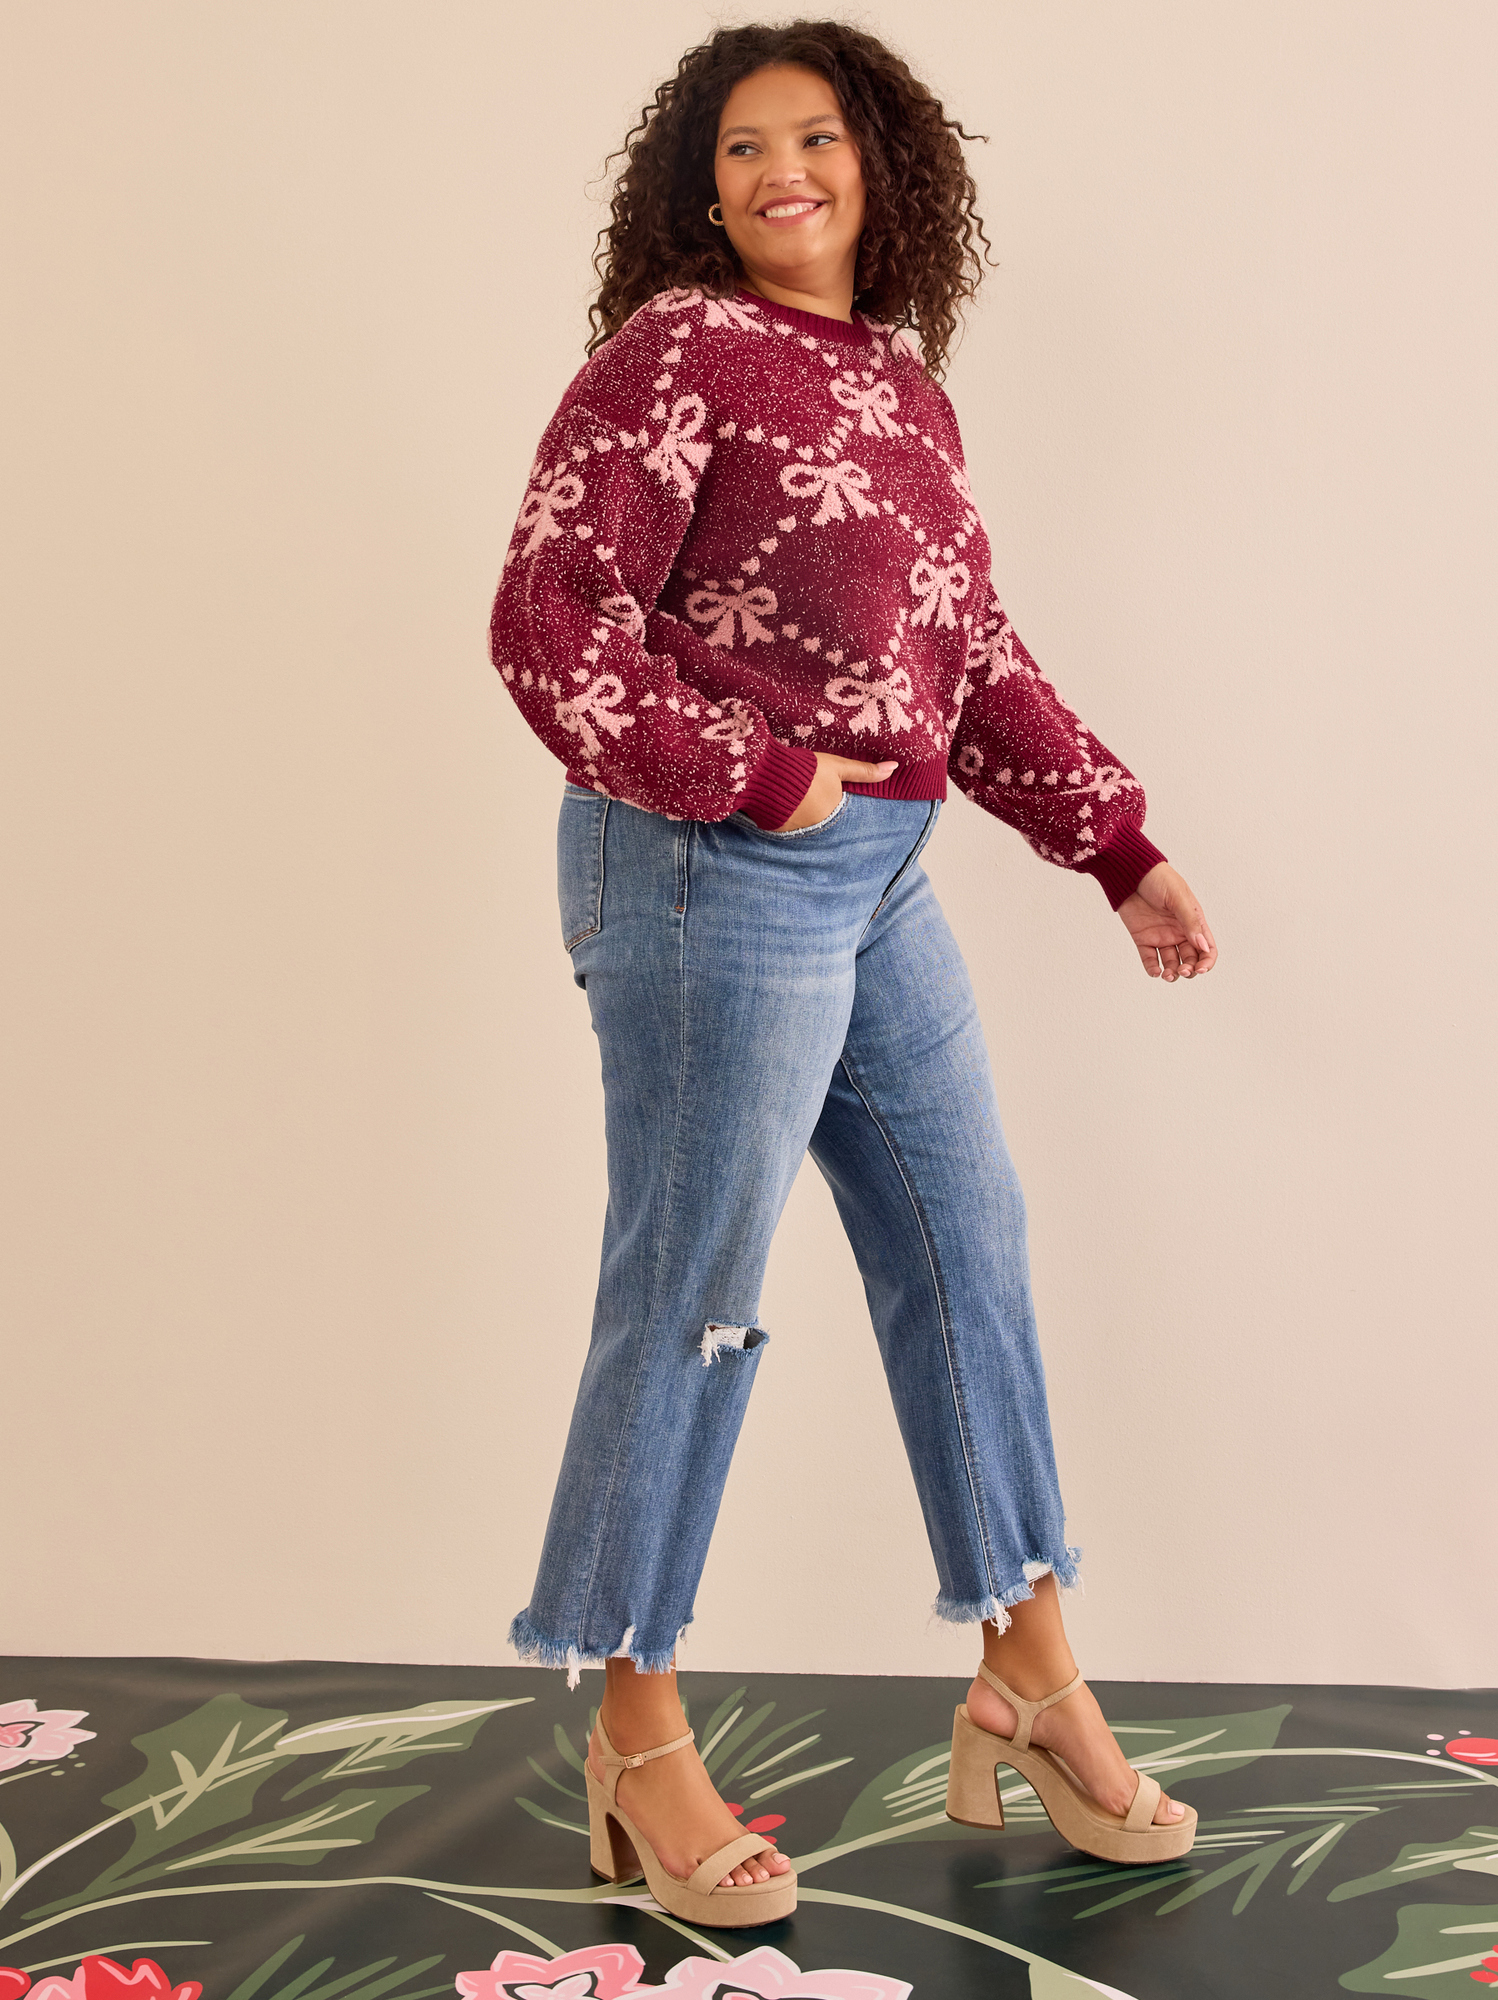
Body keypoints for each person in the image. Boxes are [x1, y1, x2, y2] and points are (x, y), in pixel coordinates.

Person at [490, 20, 1217, 1929]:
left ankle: (1027, 1672)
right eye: (742, 148)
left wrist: (1115, 847)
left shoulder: (901, 385)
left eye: (814, 138)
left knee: (966, 1246)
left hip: (877, 878)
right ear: (699, 186)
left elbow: (968, 663)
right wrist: (755, 772)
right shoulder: (672, 352)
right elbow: (549, 618)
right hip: (702, 865)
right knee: (695, 1293)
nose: (780, 173)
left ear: (881, 167)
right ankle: (635, 1731)